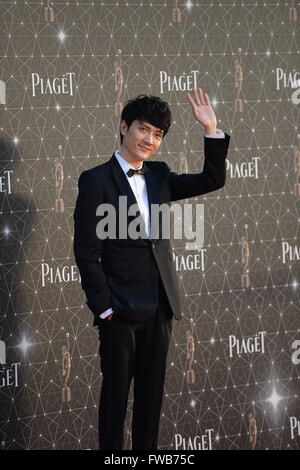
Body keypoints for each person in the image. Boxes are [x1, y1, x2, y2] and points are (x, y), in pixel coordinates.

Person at [73, 88, 230, 450]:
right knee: (114, 404)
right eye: (144, 129)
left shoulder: (159, 175)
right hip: (120, 313)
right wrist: (105, 308)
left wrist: (210, 130)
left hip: (160, 309)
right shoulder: (95, 180)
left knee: (150, 404)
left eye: (157, 135)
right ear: (124, 127)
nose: (150, 139)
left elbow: (212, 179)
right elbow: (86, 252)